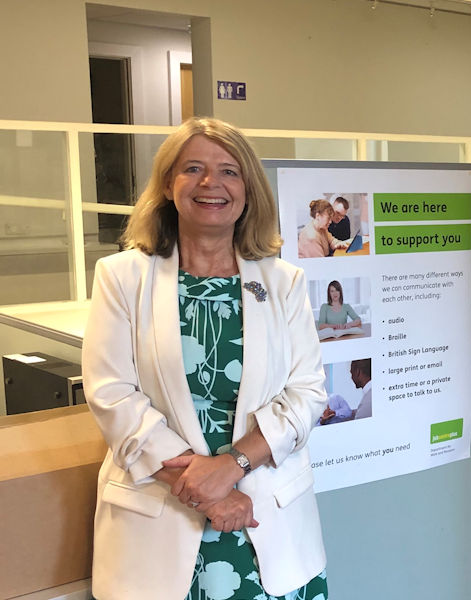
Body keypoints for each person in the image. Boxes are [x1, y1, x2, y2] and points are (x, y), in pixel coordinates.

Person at [82, 117, 329, 600]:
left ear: (248, 190)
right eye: (192, 168)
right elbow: (111, 395)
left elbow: (308, 394)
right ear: (168, 185)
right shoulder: (122, 277)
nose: (211, 183)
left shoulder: (284, 283)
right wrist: (207, 487)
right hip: (158, 522)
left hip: (268, 525)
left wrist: (232, 465)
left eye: (229, 171)